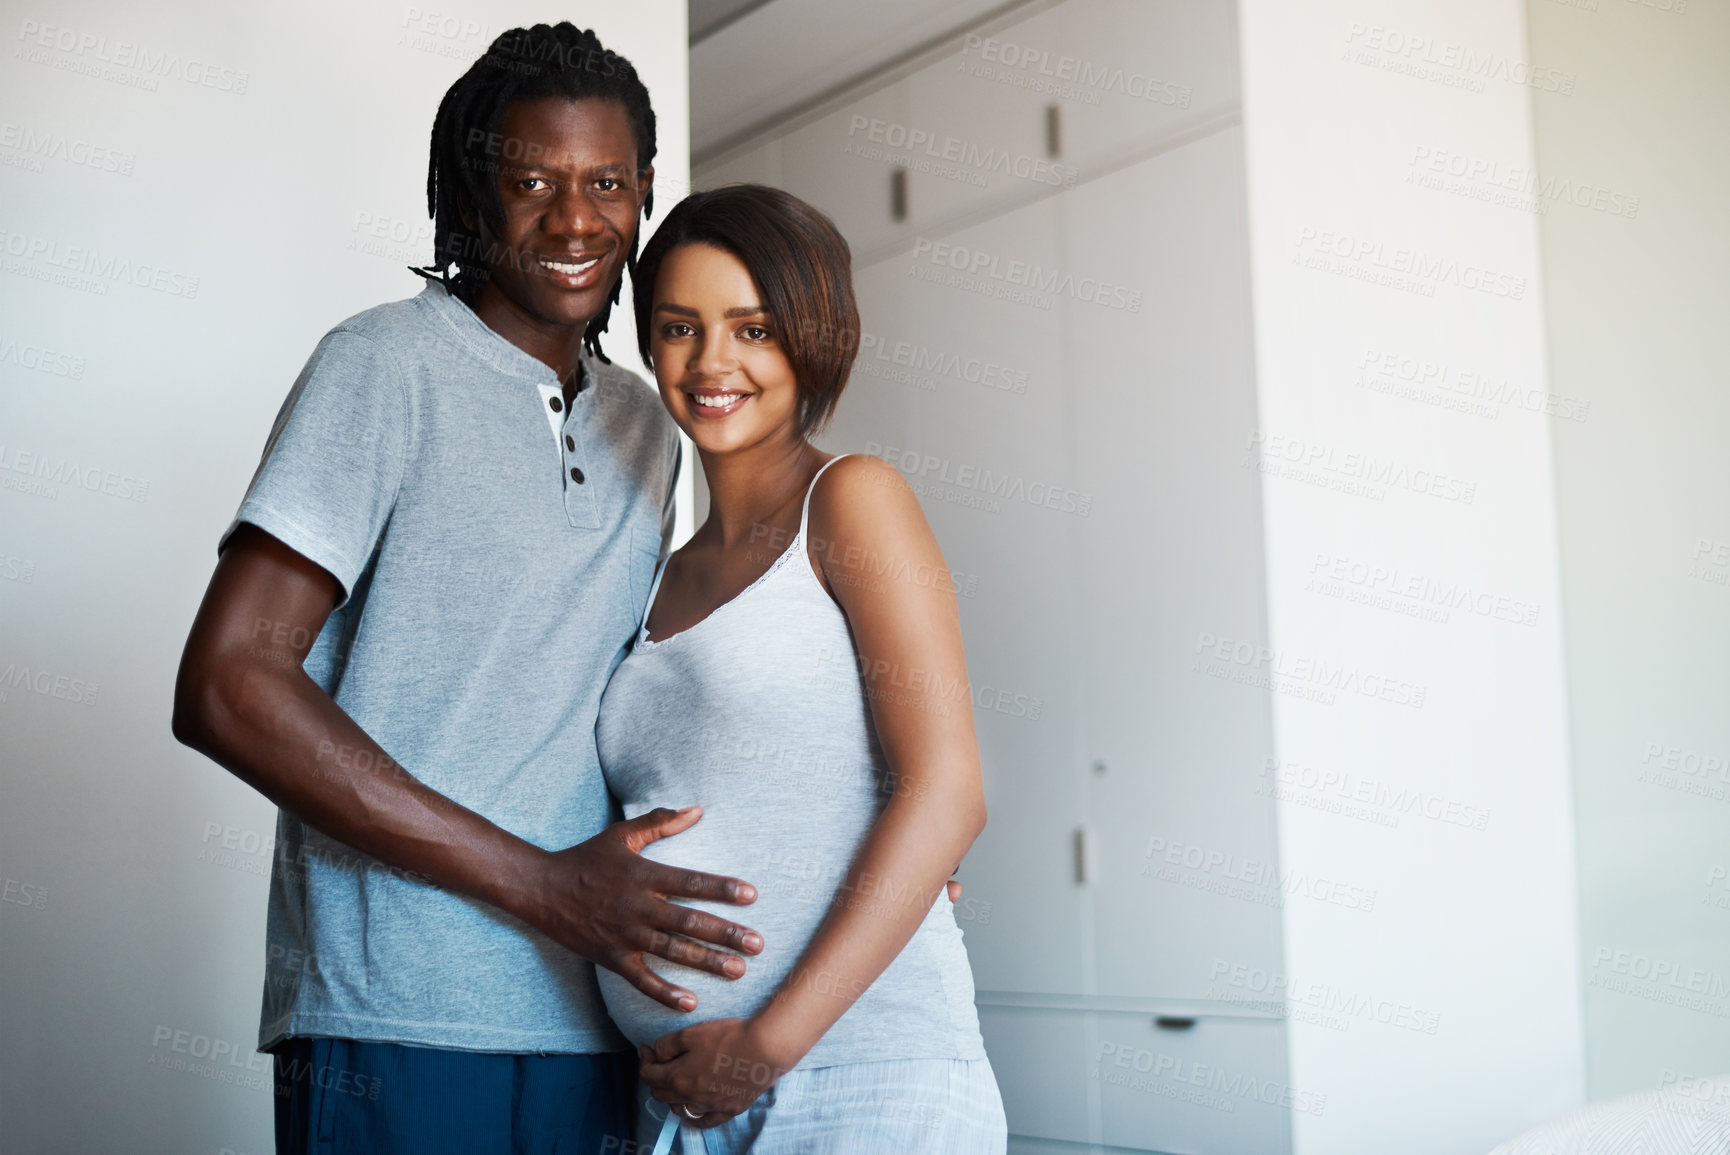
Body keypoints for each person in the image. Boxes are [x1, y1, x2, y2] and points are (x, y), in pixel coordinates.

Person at [171, 24, 766, 1153]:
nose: (575, 218)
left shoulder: (652, 424)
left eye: (606, 182)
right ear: (468, 192)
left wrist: (861, 847)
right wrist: (543, 887)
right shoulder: (382, 367)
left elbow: (650, 709)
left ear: (644, 194)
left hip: (595, 1014)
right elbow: (228, 682)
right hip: (394, 1013)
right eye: (530, 180)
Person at [594, 184, 1009, 1153]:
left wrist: (765, 1046)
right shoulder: (658, 574)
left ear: (810, 337)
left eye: (751, 328)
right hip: (685, 1102)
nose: (711, 363)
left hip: (861, 1077)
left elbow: (946, 792)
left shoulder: (851, 501)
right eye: (678, 328)